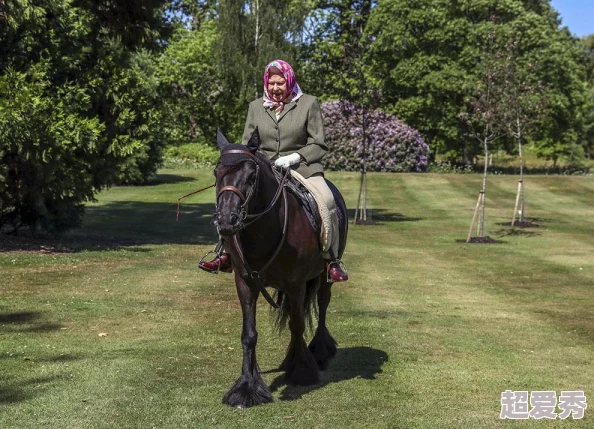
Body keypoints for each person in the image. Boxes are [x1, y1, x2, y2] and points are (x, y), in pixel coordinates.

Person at [199, 59, 347, 282]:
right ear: (266, 83)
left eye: (281, 83)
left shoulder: (308, 103)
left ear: (289, 81)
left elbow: (319, 143)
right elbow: (249, 144)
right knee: (231, 200)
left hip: (303, 168)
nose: (276, 88)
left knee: (327, 200)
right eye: (272, 83)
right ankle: (225, 253)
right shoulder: (255, 107)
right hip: (265, 168)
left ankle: (331, 259)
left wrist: (295, 157)